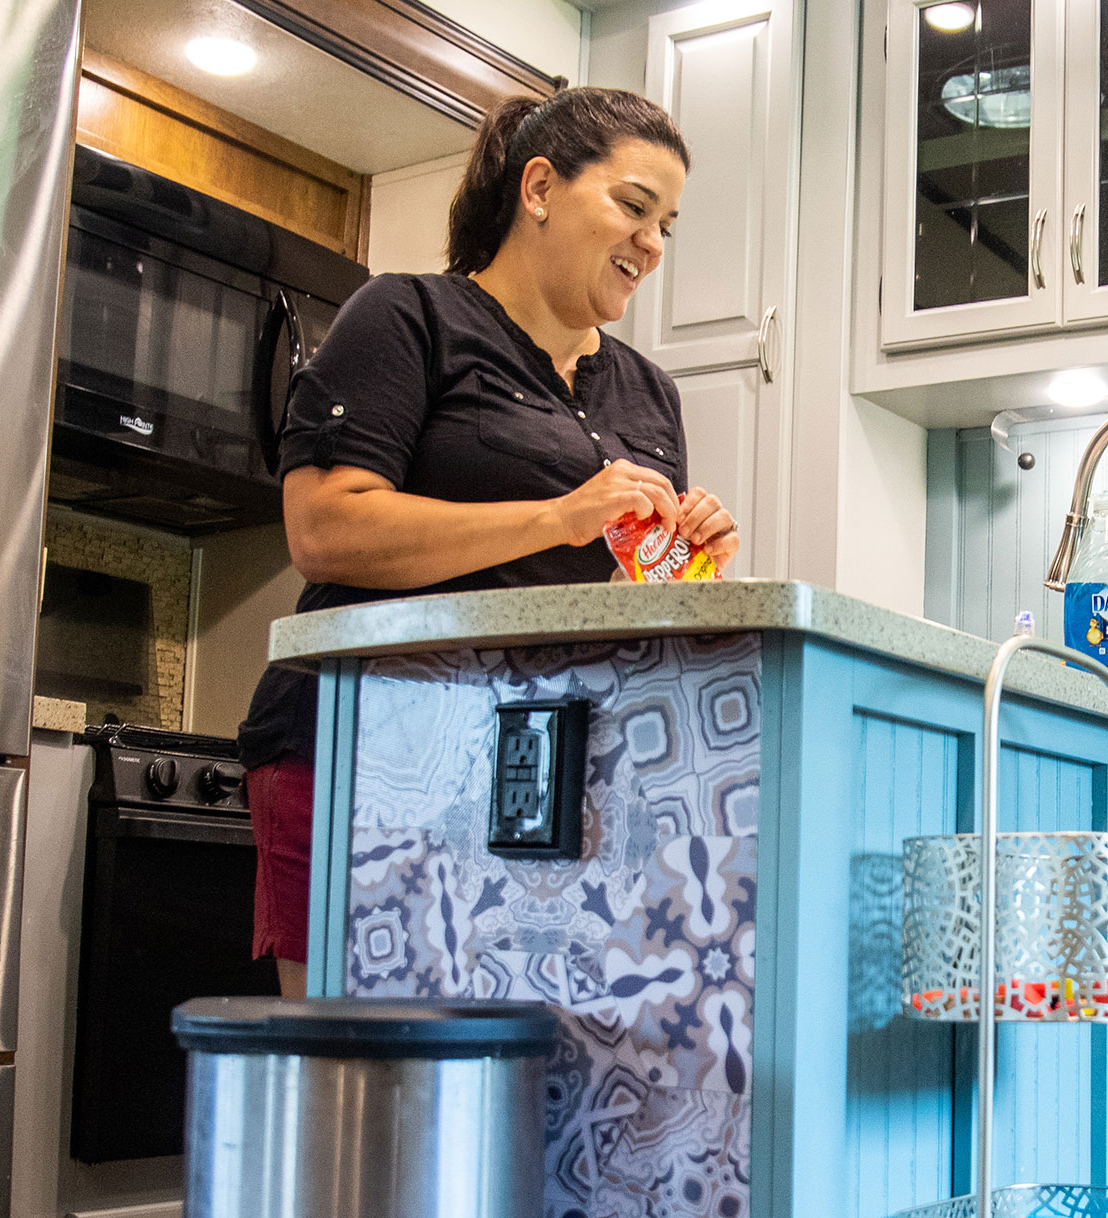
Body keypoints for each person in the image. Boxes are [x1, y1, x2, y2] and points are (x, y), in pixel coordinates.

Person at [234, 86, 738, 995]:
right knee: (359, 1075)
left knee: (515, 1071)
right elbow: (324, 527)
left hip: (538, 774)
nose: (653, 246)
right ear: (540, 187)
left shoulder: (648, 393)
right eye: (633, 207)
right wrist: (558, 516)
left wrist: (685, 567)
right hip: (361, 752)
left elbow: (615, 611)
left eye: (668, 224)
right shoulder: (408, 318)